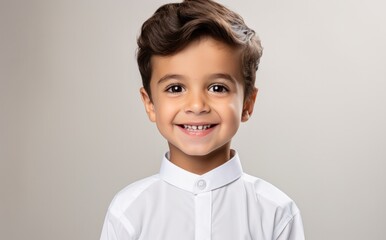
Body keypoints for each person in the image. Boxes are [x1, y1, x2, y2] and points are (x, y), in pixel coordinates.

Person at [100, 0, 305, 239]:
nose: (197, 106)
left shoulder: (276, 213)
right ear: (150, 104)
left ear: (247, 103)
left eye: (218, 88)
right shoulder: (128, 211)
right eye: (176, 88)